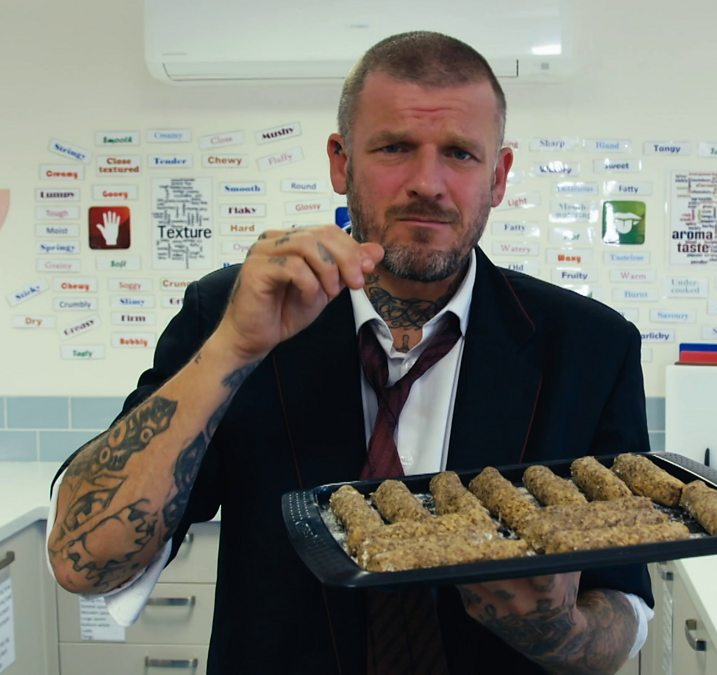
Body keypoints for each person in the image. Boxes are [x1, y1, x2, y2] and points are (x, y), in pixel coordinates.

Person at [47, 31, 652, 675]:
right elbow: (84, 560)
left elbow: (622, 607)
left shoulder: (590, 347)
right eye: (394, 148)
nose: (428, 183)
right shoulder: (228, 315)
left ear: (498, 176)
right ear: (341, 163)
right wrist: (231, 349)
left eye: (459, 153)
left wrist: (561, 630)